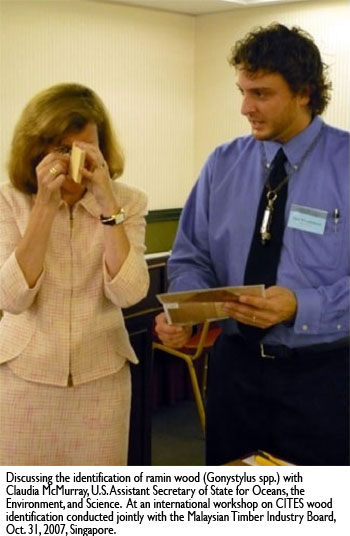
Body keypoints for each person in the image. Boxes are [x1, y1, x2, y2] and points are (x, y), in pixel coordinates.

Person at [155, 24, 349, 466]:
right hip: (235, 371)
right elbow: (191, 255)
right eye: (242, 91)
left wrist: (302, 305)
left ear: (304, 92)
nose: (246, 107)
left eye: (261, 93)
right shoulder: (222, 163)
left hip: (326, 376)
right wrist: (186, 312)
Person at [0, 83, 149, 465]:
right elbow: (12, 298)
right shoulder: (8, 200)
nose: (74, 160)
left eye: (85, 148)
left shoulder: (127, 201)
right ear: (37, 150)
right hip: (24, 379)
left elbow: (130, 292)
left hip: (102, 380)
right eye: (62, 149)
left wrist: (106, 203)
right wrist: (44, 209)